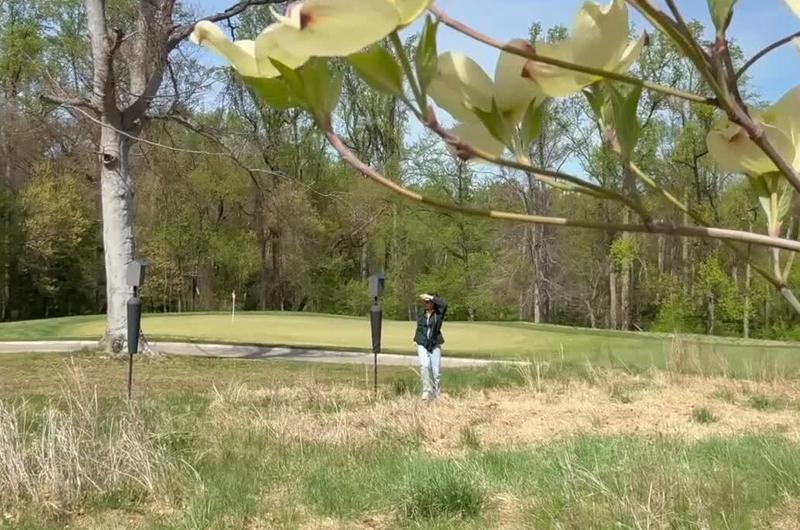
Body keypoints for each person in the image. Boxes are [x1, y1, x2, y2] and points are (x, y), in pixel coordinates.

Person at [413, 293, 448, 400]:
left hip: (434, 344)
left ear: (433, 303)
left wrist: (431, 297)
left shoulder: (438, 314)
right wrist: (417, 340)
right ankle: (426, 391)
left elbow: (444, 304)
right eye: (425, 302)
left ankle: (437, 394)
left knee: (436, 372)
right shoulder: (421, 314)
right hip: (422, 343)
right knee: (425, 366)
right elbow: (420, 329)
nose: (426, 304)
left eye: (428, 302)